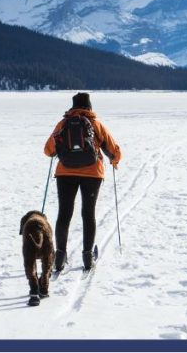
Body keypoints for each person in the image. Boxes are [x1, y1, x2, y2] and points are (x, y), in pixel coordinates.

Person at [44, 92, 121, 272]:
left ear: (73, 106)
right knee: (88, 213)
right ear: (89, 106)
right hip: (92, 174)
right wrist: (114, 161)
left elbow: (48, 150)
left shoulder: (63, 124)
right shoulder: (96, 124)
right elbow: (114, 149)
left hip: (65, 173)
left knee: (64, 213)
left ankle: (60, 256)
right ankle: (87, 257)